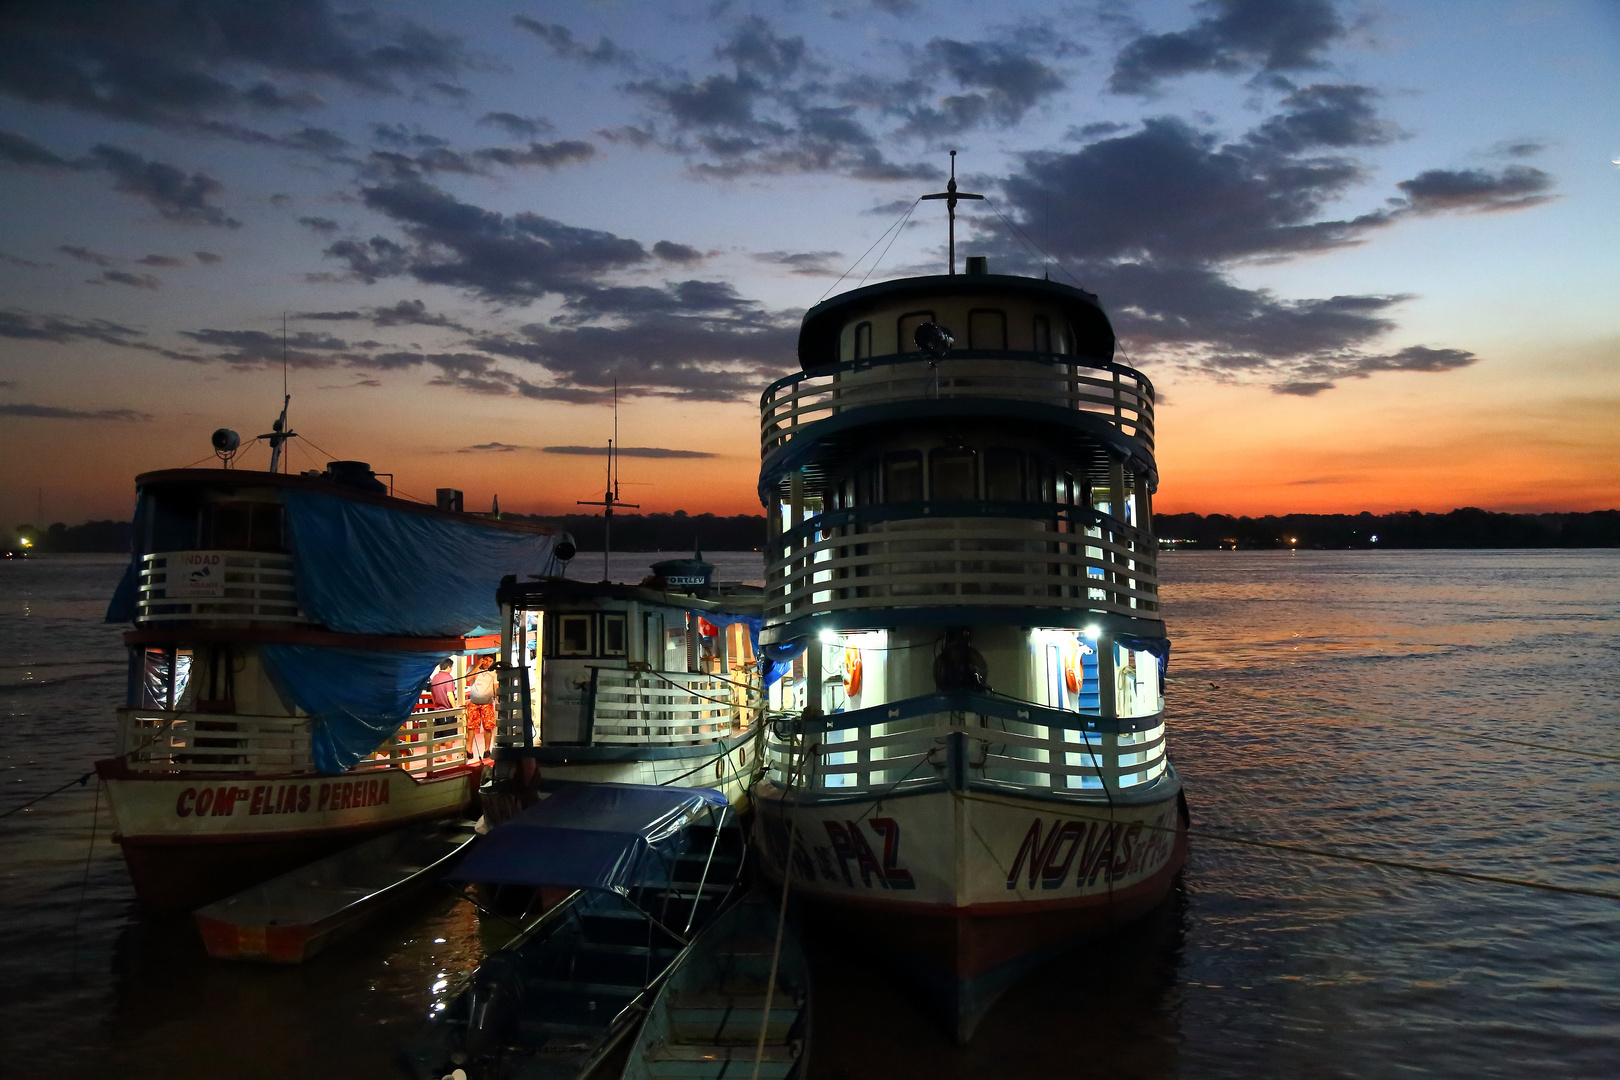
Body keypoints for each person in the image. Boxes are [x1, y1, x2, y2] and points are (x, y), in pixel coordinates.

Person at [465, 655, 498, 764]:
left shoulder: (493, 672)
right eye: (486, 660)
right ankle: (469, 749)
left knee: (488, 726)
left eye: (490, 661)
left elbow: (496, 686)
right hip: (474, 702)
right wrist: (478, 665)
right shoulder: (473, 668)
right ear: (481, 659)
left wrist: (497, 697)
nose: (488, 663)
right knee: (471, 726)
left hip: (487, 703)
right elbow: (468, 678)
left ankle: (487, 749)